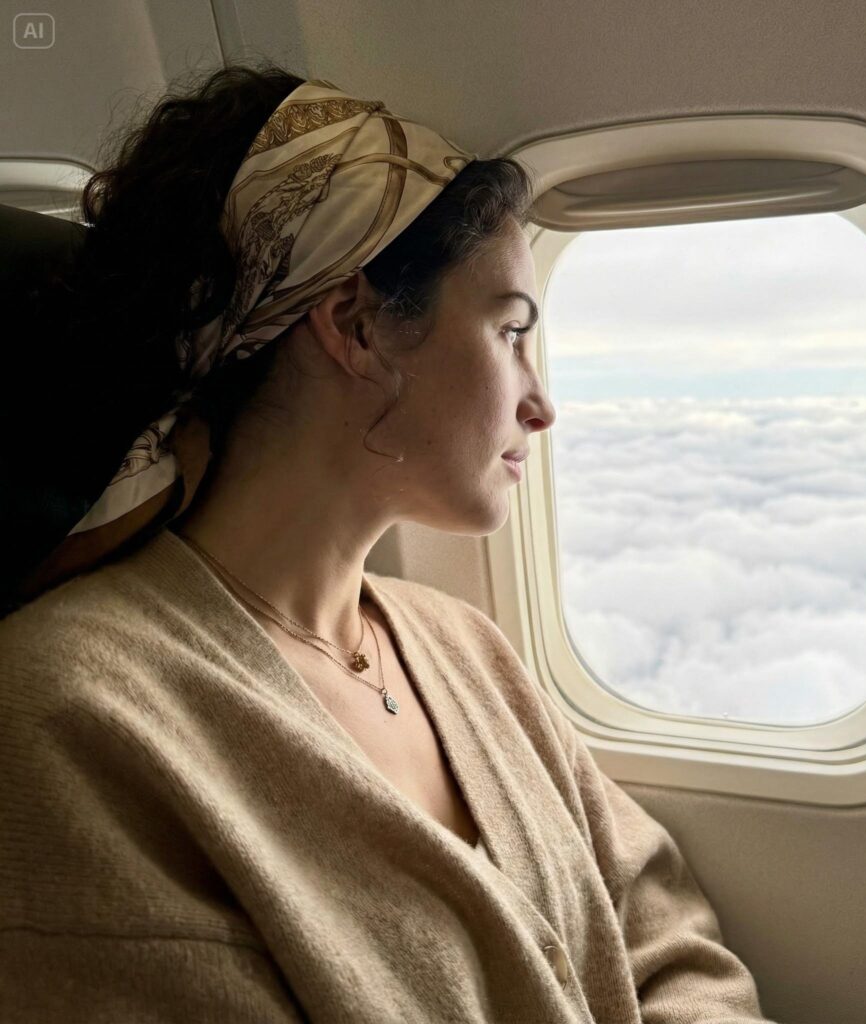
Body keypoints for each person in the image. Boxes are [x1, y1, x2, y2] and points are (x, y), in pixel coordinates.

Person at [0, 63, 774, 1022]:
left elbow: (661, 934)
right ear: (356, 327)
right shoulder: (69, 716)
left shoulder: (463, 648)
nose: (542, 403)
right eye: (509, 331)